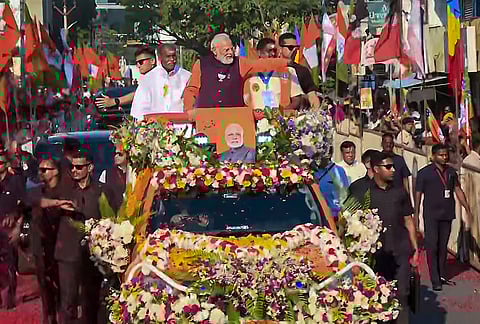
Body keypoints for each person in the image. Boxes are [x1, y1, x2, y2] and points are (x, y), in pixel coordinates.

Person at [351, 151, 418, 324]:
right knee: (377, 296)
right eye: (388, 167)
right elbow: (348, 223)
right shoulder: (362, 193)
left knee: (402, 293)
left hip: (400, 250)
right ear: (376, 169)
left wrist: (415, 248)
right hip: (376, 255)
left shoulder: (400, 192)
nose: (393, 170)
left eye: (393, 166)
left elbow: (408, 220)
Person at [55, 151, 105, 324]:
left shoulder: (101, 191)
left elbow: (109, 219)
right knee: (68, 302)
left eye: (79, 167)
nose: (74, 170)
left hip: (93, 256)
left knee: (91, 302)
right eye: (72, 167)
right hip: (68, 255)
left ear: (90, 168)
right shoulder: (63, 190)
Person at [415, 143, 473, 291]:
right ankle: (435, 278)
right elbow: (418, 195)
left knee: (442, 246)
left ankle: (441, 274)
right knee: (432, 246)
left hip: (447, 214)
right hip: (431, 215)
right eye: (441, 155)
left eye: (446, 154)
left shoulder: (452, 172)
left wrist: (466, 207)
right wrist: (416, 215)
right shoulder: (424, 173)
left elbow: (458, 190)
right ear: (433, 156)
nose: (444, 157)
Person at [183, 33, 290, 113]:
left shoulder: (240, 63)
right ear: (214, 50)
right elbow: (192, 90)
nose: (230, 53)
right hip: (207, 118)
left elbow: (263, 64)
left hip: (235, 118)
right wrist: (189, 110)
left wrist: (287, 62)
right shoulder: (201, 64)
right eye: (226, 50)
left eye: (232, 49)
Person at [31, 157, 75, 324]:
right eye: (39, 169)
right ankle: (49, 319)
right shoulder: (37, 190)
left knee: (64, 290)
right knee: (45, 287)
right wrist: (56, 203)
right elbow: (35, 202)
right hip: (41, 249)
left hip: (60, 249)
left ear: (56, 171)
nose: (40, 172)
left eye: (45, 169)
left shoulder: (66, 190)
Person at [130, 44, 192, 119]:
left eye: (174, 56)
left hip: (181, 125)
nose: (172, 59)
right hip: (156, 127)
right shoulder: (149, 79)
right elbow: (139, 109)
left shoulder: (187, 76)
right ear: (160, 58)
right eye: (168, 56)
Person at [243, 38, 304, 114]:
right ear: (259, 53)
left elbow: (297, 99)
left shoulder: (288, 71)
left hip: (281, 120)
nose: (272, 54)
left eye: (274, 51)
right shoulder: (250, 75)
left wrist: (281, 113)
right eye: (269, 51)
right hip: (256, 121)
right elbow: (244, 103)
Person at [0, 153, 26, 309]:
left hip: (9, 229)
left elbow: (23, 204)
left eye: (0, 162)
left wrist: (17, 225)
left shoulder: (15, 181)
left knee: (10, 264)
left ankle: (9, 298)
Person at [278, 32, 320, 109]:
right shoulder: (271, 68)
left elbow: (312, 95)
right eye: (290, 47)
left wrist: (317, 112)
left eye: (296, 47)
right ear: (280, 48)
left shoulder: (302, 70)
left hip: (295, 115)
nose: (294, 50)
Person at [314, 147, 349, 219]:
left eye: (321, 154)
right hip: (315, 216)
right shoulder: (312, 172)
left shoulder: (338, 171)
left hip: (334, 217)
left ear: (329, 154)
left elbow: (344, 196)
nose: (318, 157)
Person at [99, 144, 127, 212]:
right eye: (114, 154)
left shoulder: (136, 173)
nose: (116, 156)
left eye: (120, 154)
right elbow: (102, 199)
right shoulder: (105, 174)